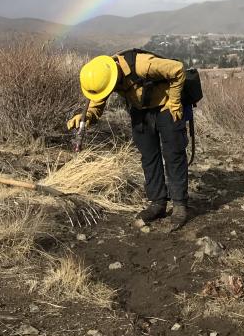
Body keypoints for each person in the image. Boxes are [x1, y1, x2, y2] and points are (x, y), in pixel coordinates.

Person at [67, 51, 190, 230]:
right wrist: (86, 117)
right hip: (140, 110)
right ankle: (158, 203)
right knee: (149, 156)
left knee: (173, 154)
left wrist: (175, 102)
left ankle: (179, 204)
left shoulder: (142, 64)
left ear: (114, 77)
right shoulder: (105, 75)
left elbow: (178, 69)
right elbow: (97, 103)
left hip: (166, 106)